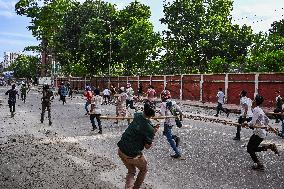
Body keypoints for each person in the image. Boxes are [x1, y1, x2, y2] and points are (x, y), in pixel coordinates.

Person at [117, 102, 160, 189]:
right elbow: (147, 147)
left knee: (132, 171)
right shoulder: (150, 129)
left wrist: (150, 126)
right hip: (132, 155)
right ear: (152, 114)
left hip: (121, 149)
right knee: (144, 169)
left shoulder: (137, 115)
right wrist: (154, 131)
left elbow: (142, 121)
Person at [246, 94, 279, 171]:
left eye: (254, 100)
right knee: (253, 148)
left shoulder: (255, 110)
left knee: (250, 149)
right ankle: (269, 147)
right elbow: (267, 120)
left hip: (259, 133)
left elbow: (253, 123)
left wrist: (247, 124)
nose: (253, 101)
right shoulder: (260, 110)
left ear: (255, 101)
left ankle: (259, 164)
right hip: (261, 132)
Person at [160, 90, 183, 158]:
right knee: (165, 133)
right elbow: (180, 111)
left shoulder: (163, 104)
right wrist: (180, 119)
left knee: (169, 138)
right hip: (173, 121)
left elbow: (163, 115)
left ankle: (177, 152)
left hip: (167, 122)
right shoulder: (173, 102)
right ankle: (175, 138)